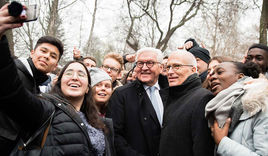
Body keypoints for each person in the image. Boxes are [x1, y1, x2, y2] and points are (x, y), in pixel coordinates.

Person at [0, 4, 64, 155]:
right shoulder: (13, 69)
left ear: (55, 66)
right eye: (43, 51)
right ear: (32, 53)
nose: (47, 56)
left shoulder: (37, 86)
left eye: (53, 56)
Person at [107, 47, 168, 156]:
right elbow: (115, 135)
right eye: (140, 63)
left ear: (161, 67)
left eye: (150, 63)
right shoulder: (121, 95)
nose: (144, 68)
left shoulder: (171, 92)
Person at [205, 61, 268, 156]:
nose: (211, 77)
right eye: (211, 73)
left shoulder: (260, 105)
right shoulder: (218, 110)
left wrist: (223, 142)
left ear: (240, 77)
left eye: (220, 72)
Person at [159, 50, 214, 156]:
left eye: (177, 66)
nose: (170, 72)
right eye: (168, 67)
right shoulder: (166, 96)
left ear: (193, 70)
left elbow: (202, 147)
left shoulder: (202, 98)